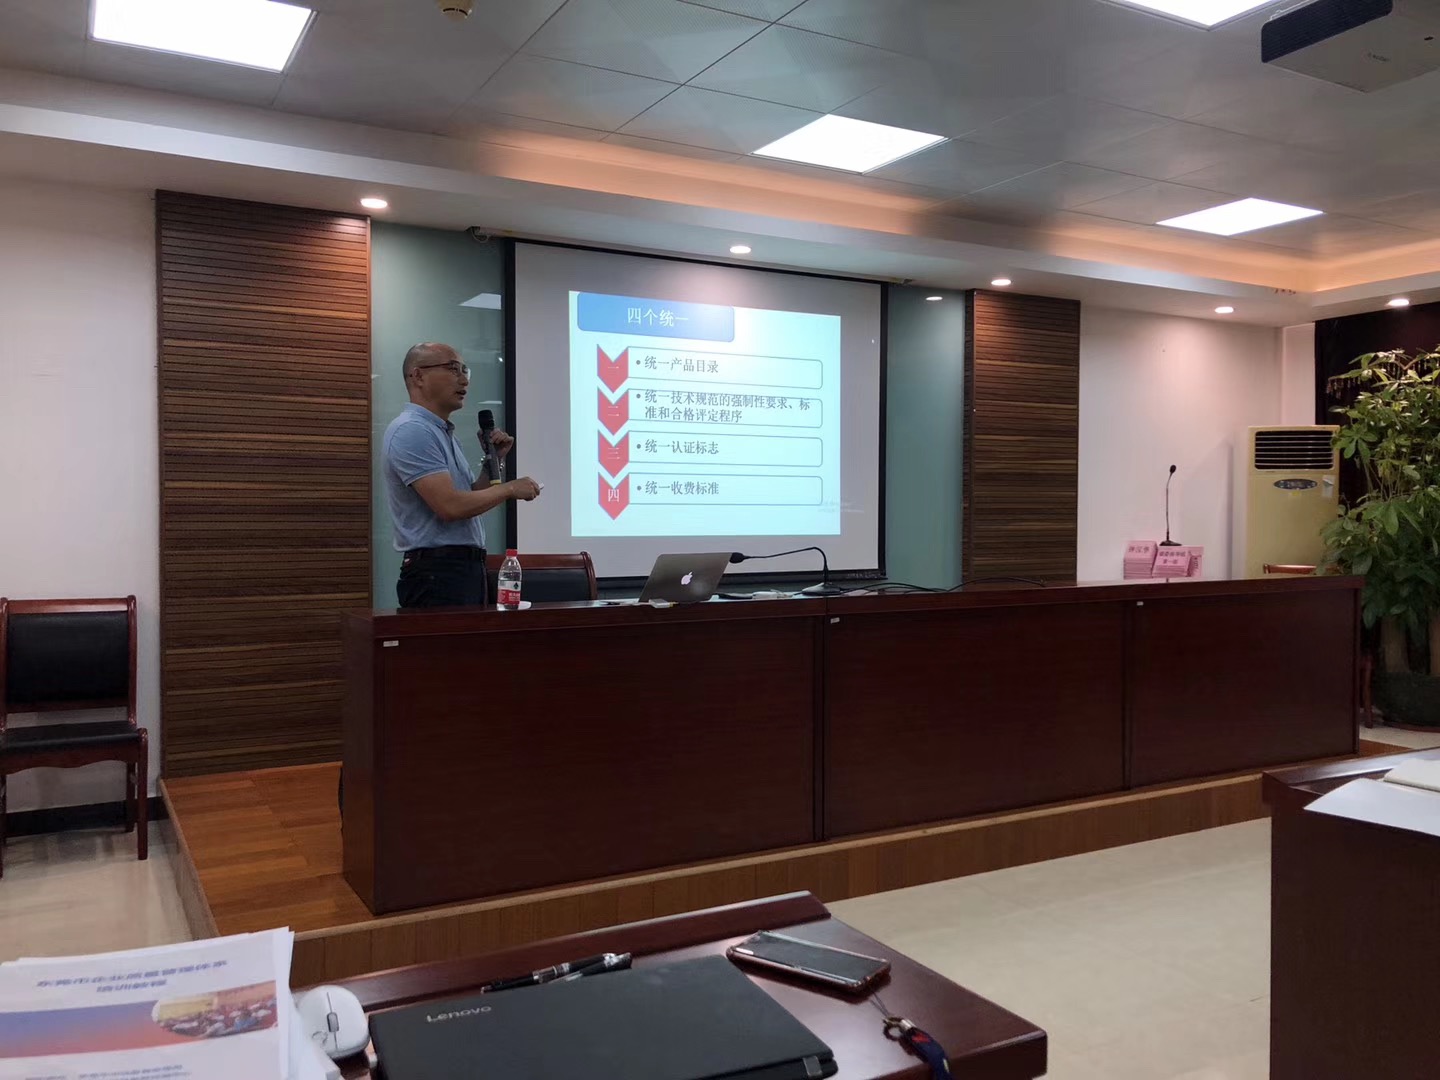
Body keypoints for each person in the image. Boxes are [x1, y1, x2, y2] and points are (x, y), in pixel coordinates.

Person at [382, 342, 541, 607]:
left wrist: (493, 461)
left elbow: (469, 498)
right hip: (437, 573)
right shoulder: (412, 430)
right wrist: (511, 488)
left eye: (465, 371)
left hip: (461, 569)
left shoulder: (441, 432)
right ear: (418, 376)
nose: (464, 379)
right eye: (453, 369)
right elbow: (450, 507)